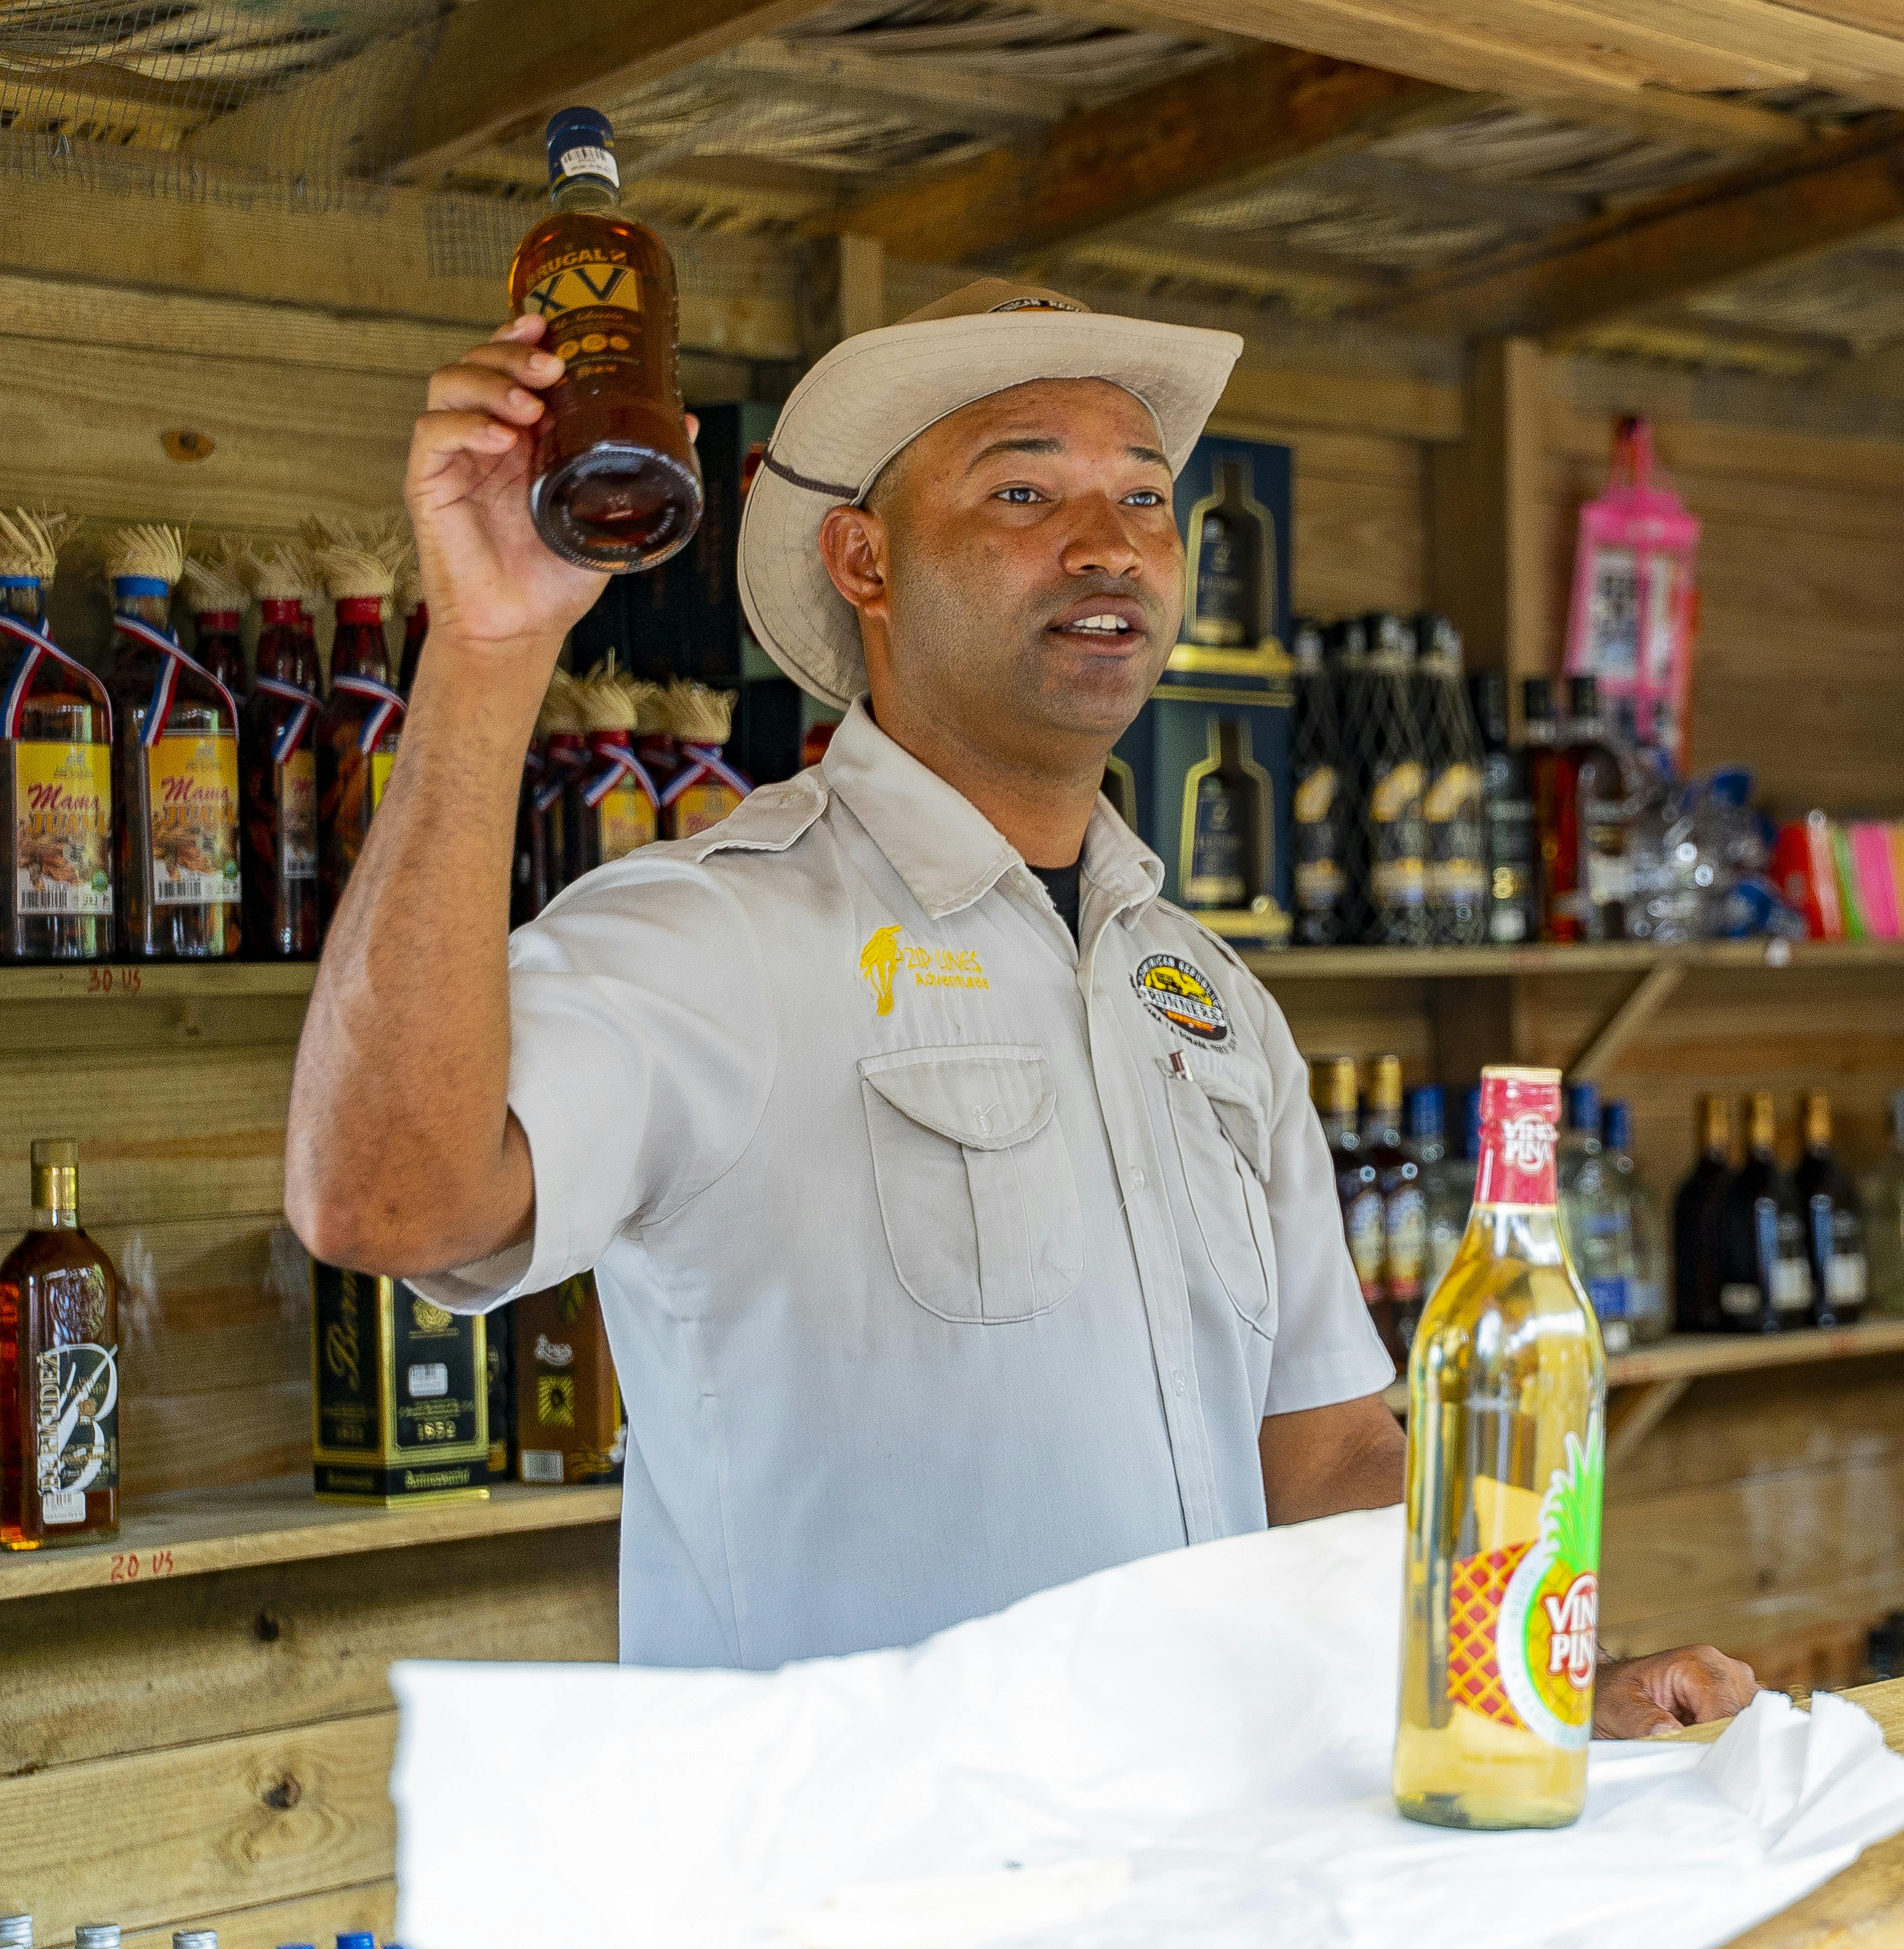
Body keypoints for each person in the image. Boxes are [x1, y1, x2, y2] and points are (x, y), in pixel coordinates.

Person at [284, 281, 1756, 1736]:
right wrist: (487, 649)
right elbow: (386, 1203)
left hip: (1218, 1846)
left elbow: (1325, 1460)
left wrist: (1547, 1685)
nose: (1109, 543)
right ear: (864, 559)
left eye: (1145, 497)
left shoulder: (1211, 1001)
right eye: (1022, 492)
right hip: (872, 1861)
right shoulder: (714, 935)